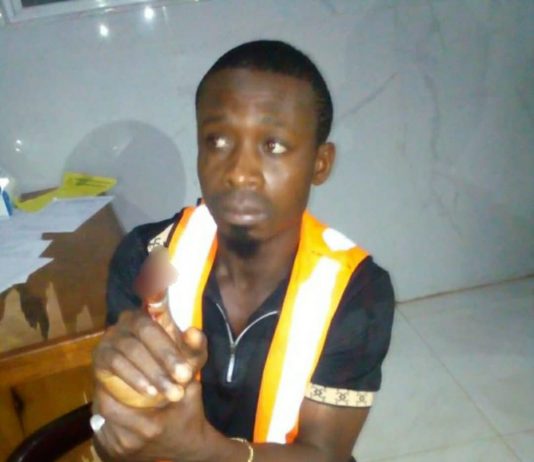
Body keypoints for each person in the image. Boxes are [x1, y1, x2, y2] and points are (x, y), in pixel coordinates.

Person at [91, 39, 395, 462]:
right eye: (217, 141)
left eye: (274, 146)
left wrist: (203, 450)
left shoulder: (356, 291)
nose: (239, 173)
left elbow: (325, 455)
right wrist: (118, 395)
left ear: (320, 163)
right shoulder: (148, 255)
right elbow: (111, 439)